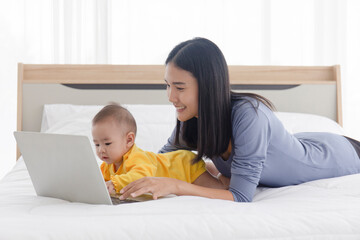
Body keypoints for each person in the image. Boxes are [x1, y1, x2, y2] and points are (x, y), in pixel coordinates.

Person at [119, 37, 360, 202]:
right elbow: (161, 161)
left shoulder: (248, 115)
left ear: (208, 86)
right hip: (302, 143)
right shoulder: (191, 117)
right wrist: (117, 175)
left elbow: (241, 196)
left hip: (336, 155)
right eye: (168, 85)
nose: (171, 97)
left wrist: (174, 185)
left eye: (179, 87)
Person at [91, 103, 228, 195]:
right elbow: (100, 182)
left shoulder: (138, 158)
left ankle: (224, 175)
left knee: (219, 188)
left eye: (107, 144)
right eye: (97, 144)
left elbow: (142, 176)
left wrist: (115, 184)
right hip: (176, 162)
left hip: (185, 167)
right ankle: (209, 168)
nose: (101, 150)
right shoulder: (107, 166)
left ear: (129, 140)